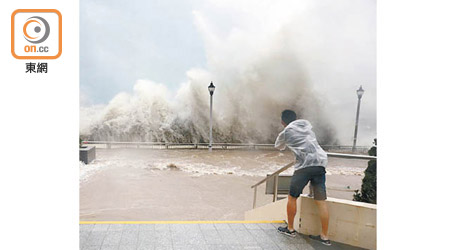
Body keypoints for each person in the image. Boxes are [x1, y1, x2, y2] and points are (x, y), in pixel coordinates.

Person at [275, 109, 331, 246]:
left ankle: (290, 229)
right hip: (320, 163)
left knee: (292, 197)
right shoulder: (307, 126)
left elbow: (279, 147)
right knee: (321, 201)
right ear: (296, 118)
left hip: (304, 167)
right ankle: (324, 236)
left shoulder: (286, 132)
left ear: (282, 121)